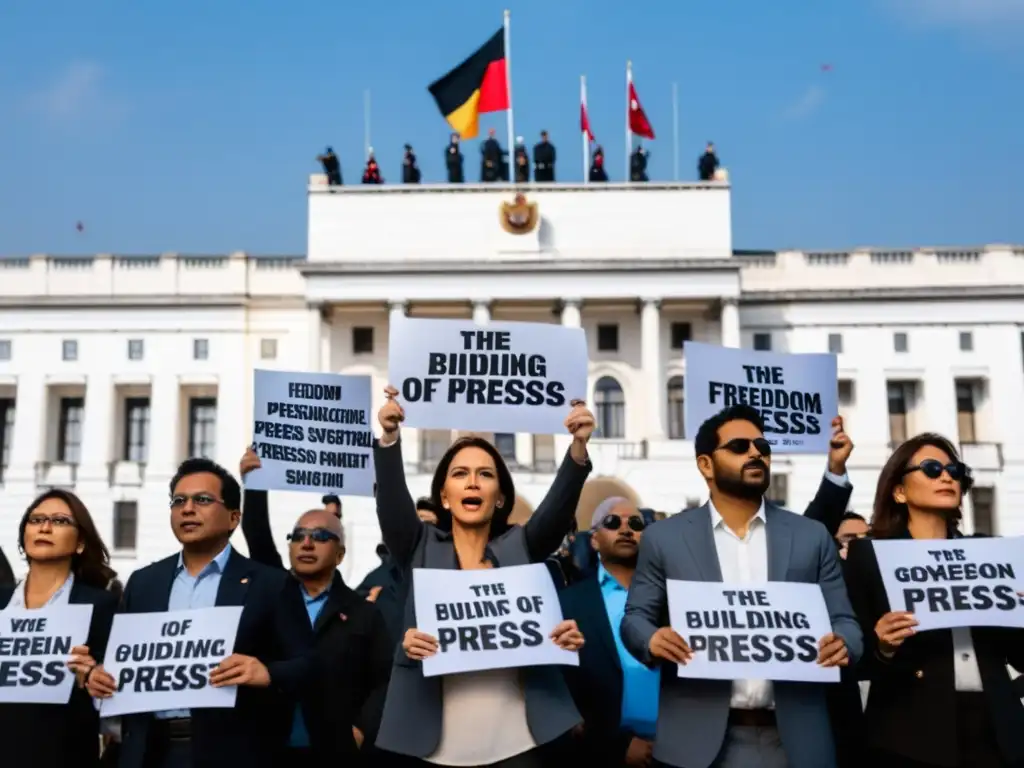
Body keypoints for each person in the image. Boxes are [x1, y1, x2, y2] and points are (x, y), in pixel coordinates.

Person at [621, 404, 863, 768]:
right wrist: (651, 639)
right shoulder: (663, 539)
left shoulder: (811, 537)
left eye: (762, 447)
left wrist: (843, 643)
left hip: (798, 740)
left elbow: (847, 623)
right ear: (705, 464)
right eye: (739, 447)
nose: (755, 453)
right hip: (695, 743)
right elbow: (635, 617)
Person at [372, 385, 594, 767]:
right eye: (460, 474)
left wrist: (577, 446)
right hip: (434, 746)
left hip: (518, 744)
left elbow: (556, 511)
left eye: (484, 474)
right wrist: (390, 438)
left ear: (500, 496)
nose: (472, 482)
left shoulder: (521, 547)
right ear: (444, 496)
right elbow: (392, 506)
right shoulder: (419, 546)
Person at [83, 458, 312, 768]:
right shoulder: (143, 582)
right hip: (149, 752)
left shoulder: (270, 583)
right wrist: (98, 676)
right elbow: (121, 661)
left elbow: (309, 665)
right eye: (178, 501)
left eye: (202, 500)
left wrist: (268, 673)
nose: (187, 509)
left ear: (233, 518)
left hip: (235, 752)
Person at [844, 434, 1024, 767]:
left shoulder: (991, 553)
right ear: (899, 490)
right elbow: (852, 659)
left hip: (997, 731)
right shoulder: (869, 557)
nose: (946, 476)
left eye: (955, 470)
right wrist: (881, 644)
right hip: (908, 735)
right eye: (931, 468)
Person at [238, 447, 392, 764]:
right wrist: (253, 484)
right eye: (298, 536)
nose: (306, 544)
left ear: (340, 554)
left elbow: (384, 681)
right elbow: (257, 536)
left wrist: (361, 729)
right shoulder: (275, 597)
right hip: (268, 749)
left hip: (335, 751)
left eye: (320, 536)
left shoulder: (364, 613)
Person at [0, 489, 118, 768]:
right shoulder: (1, 601)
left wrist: (92, 675)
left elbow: (118, 697)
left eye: (60, 521)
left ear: (80, 543)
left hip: (62, 753)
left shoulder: (102, 606)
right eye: (36, 519)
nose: (45, 527)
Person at [560, 497, 660, 768]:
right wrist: (616, 745)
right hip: (600, 753)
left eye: (636, 523)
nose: (626, 530)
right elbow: (562, 692)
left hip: (677, 747)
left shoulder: (673, 597)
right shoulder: (567, 603)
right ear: (593, 540)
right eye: (613, 522)